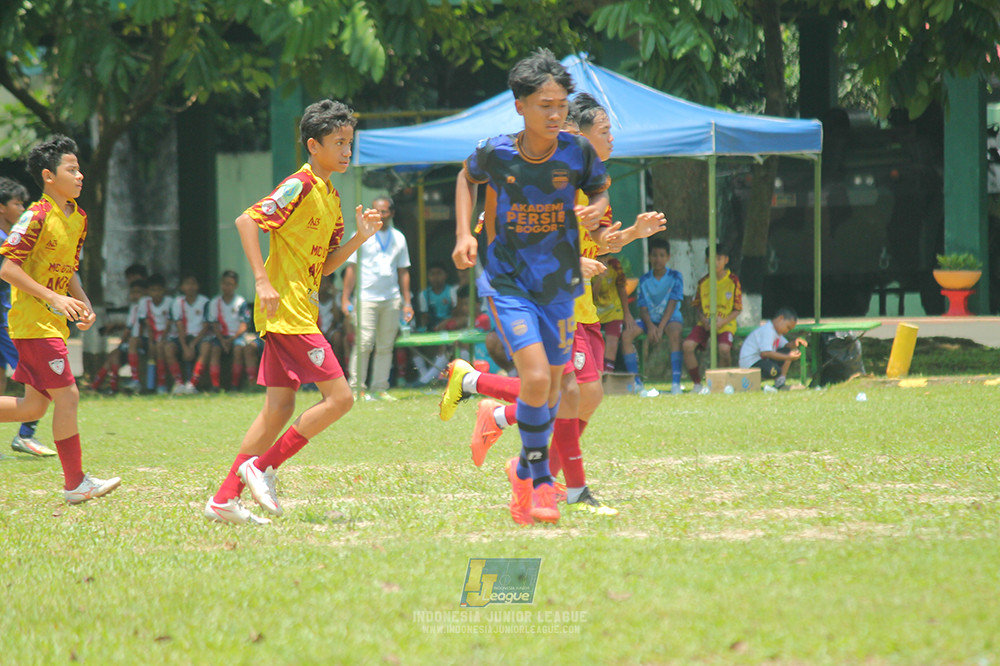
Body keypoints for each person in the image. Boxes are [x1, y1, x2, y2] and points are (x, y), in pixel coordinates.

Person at [444, 90, 664, 519]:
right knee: (569, 390)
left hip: (581, 306)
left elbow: (601, 242)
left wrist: (635, 233)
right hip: (541, 297)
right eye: (604, 131)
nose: (611, 139)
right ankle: (560, 485)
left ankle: (493, 410)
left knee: (578, 396)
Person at [204, 99, 382, 525]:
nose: (346, 151)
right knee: (340, 399)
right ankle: (262, 468)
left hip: (299, 311)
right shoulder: (298, 186)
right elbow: (247, 221)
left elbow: (324, 266)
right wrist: (261, 282)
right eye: (338, 142)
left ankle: (224, 499)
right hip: (287, 314)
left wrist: (359, 238)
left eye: (349, 143)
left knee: (279, 410)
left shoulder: (330, 196)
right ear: (313, 145)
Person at [452, 50, 611, 525]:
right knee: (539, 378)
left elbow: (600, 190)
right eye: (545, 104)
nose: (556, 113)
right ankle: (543, 486)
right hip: (509, 282)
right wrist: (464, 234)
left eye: (561, 104)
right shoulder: (497, 151)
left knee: (562, 386)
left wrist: (599, 211)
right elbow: (466, 176)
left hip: (560, 286)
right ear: (519, 104)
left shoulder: (576, 151)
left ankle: (522, 475)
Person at [0, 134, 120, 502]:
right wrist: (53, 296)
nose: (81, 175)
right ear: (49, 176)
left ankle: (76, 483)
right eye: (72, 169)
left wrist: (82, 302)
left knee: (34, 406)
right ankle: (75, 483)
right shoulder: (35, 215)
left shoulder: (78, 218)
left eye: (80, 169)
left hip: (51, 324)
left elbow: (68, 269)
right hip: (31, 324)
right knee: (68, 396)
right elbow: (7, 269)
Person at [340, 195, 412, 401]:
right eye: (376, 210)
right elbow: (351, 269)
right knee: (364, 343)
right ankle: (356, 388)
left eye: (384, 211)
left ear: (391, 213)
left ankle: (380, 388)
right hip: (366, 298)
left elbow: (403, 271)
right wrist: (346, 298)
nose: (380, 214)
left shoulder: (399, 237)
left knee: (385, 345)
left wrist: (407, 302)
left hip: (391, 298)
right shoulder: (360, 235)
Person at [0, 176, 51, 456]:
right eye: (16, 203)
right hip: (8, 322)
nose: (21, 208)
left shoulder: (9, 238)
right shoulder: (7, 243)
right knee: (40, 380)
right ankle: (26, 434)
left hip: (7, 318)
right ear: (1, 207)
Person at [621, 238, 684, 395]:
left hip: (669, 319)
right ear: (649, 257)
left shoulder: (676, 277)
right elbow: (642, 308)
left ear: (668, 257)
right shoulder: (644, 280)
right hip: (648, 321)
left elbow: (672, 303)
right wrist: (650, 327)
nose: (658, 259)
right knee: (626, 335)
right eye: (654, 255)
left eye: (662, 255)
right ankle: (636, 383)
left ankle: (676, 383)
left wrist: (660, 328)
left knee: (675, 333)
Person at [683, 244, 743, 393]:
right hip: (706, 323)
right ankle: (697, 383)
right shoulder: (703, 282)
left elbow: (738, 308)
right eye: (711, 259)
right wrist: (704, 320)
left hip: (725, 323)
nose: (715, 262)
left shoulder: (733, 281)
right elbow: (698, 306)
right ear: (706, 260)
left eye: (719, 259)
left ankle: (723, 383)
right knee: (687, 346)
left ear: (726, 260)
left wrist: (723, 321)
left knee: (724, 349)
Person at [91, 279, 145, 394]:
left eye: (138, 292)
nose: (135, 295)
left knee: (129, 345)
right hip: (132, 341)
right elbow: (129, 326)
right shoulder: (134, 307)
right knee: (113, 355)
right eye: (133, 292)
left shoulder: (144, 305)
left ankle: (135, 381)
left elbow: (139, 325)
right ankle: (104, 387)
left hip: (142, 340)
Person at [738, 307, 806, 390]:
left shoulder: (777, 333)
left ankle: (780, 384)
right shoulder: (768, 330)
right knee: (775, 371)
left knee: (788, 352)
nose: (787, 331)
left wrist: (795, 343)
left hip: (761, 360)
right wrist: (789, 357)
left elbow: (786, 346)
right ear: (781, 318)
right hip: (751, 363)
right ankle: (752, 382)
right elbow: (766, 353)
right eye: (787, 327)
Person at [206, 270, 252, 392]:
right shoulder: (215, 302)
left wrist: (231, 339)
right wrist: (222, 340)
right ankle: (215, 386)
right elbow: (214, 324)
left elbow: (244, 325)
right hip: (220, 336)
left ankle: (234, 385)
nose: (227, 287)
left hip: (236, 336)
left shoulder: (240, 302)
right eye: (224, 283)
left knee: (238, 350)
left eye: (230, 284)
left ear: (236, 286)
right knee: (214, 350)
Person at [166, 273, 211, 394]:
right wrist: (185, 347)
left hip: (199, 337)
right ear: (181, 287)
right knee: (168, 348)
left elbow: (206, 326)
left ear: (198, 286)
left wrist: (192, 345)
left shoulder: (205, 301)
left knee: (206, 347)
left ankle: (192, 384)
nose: (190, 287)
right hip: (182, 338)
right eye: (187, 284)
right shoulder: (177, 302)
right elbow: (179, 326)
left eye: (193, 283)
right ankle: (179, 383)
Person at [129, 273, 172, 393]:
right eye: (153, 290)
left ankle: (161, 385)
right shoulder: (144, 302)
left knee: (159, 347)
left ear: (164, 291)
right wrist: (150, 342)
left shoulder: (169, 302)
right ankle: (135, 380)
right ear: (148, 291)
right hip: (150, 337)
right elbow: (146, 324)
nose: (156, 293)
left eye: (159, 290)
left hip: (165, 338)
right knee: (133, 341)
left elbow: (169, 324)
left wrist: (160, 341)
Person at [591, 255, 630, 373]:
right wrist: (599, 278)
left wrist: (627, 314)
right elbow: (592, 296)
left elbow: (622, 288)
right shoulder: (589, 266)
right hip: (594, 311)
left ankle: (608, 373)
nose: (603, 260)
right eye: (600, 258)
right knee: (592, 341)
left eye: (605, 258)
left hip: (614, 311)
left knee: (612, 341)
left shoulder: (615, 265)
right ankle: (595, 372)